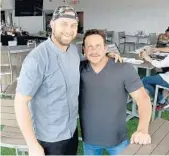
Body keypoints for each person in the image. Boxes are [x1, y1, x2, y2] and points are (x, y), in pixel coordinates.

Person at [14, 6, 121, 155]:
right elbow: (20, 102)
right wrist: (32, 144)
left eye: (73, 25)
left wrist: (106, 54)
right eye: (64, 24)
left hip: (71, 131)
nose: (69, 30)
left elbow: (88, 57)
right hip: (49, 138)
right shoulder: (36, 59)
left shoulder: (73, 51)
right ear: (52, 24)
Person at [79, 29, 152, 155]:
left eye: (98, 46)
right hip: (89, 140)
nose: (94, 50)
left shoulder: (123, 68)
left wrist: (142, 129)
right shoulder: (78, 69)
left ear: (105, 48)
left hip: (118, 140)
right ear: (84, 50)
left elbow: (143, 99)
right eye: (89, 47)